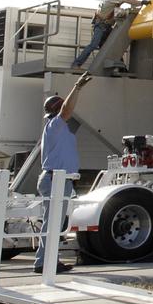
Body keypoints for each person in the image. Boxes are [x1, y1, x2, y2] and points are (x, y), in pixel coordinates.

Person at [34, 71, 92, 273]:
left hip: (59, 179)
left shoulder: (58, 129)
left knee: (53, 223)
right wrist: (77, 87)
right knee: (52, 224)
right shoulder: (55, 125)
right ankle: (44, 263)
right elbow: (66, 110)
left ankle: (47, 261)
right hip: (55, 180)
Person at [73, 2, 118, 67]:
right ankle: (76, 63)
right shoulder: (112, 2)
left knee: (110, 46)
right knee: (94, 45)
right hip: (101, 26)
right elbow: (105, 17)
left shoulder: (108, 3)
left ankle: (120, 68)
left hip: (106, 27)